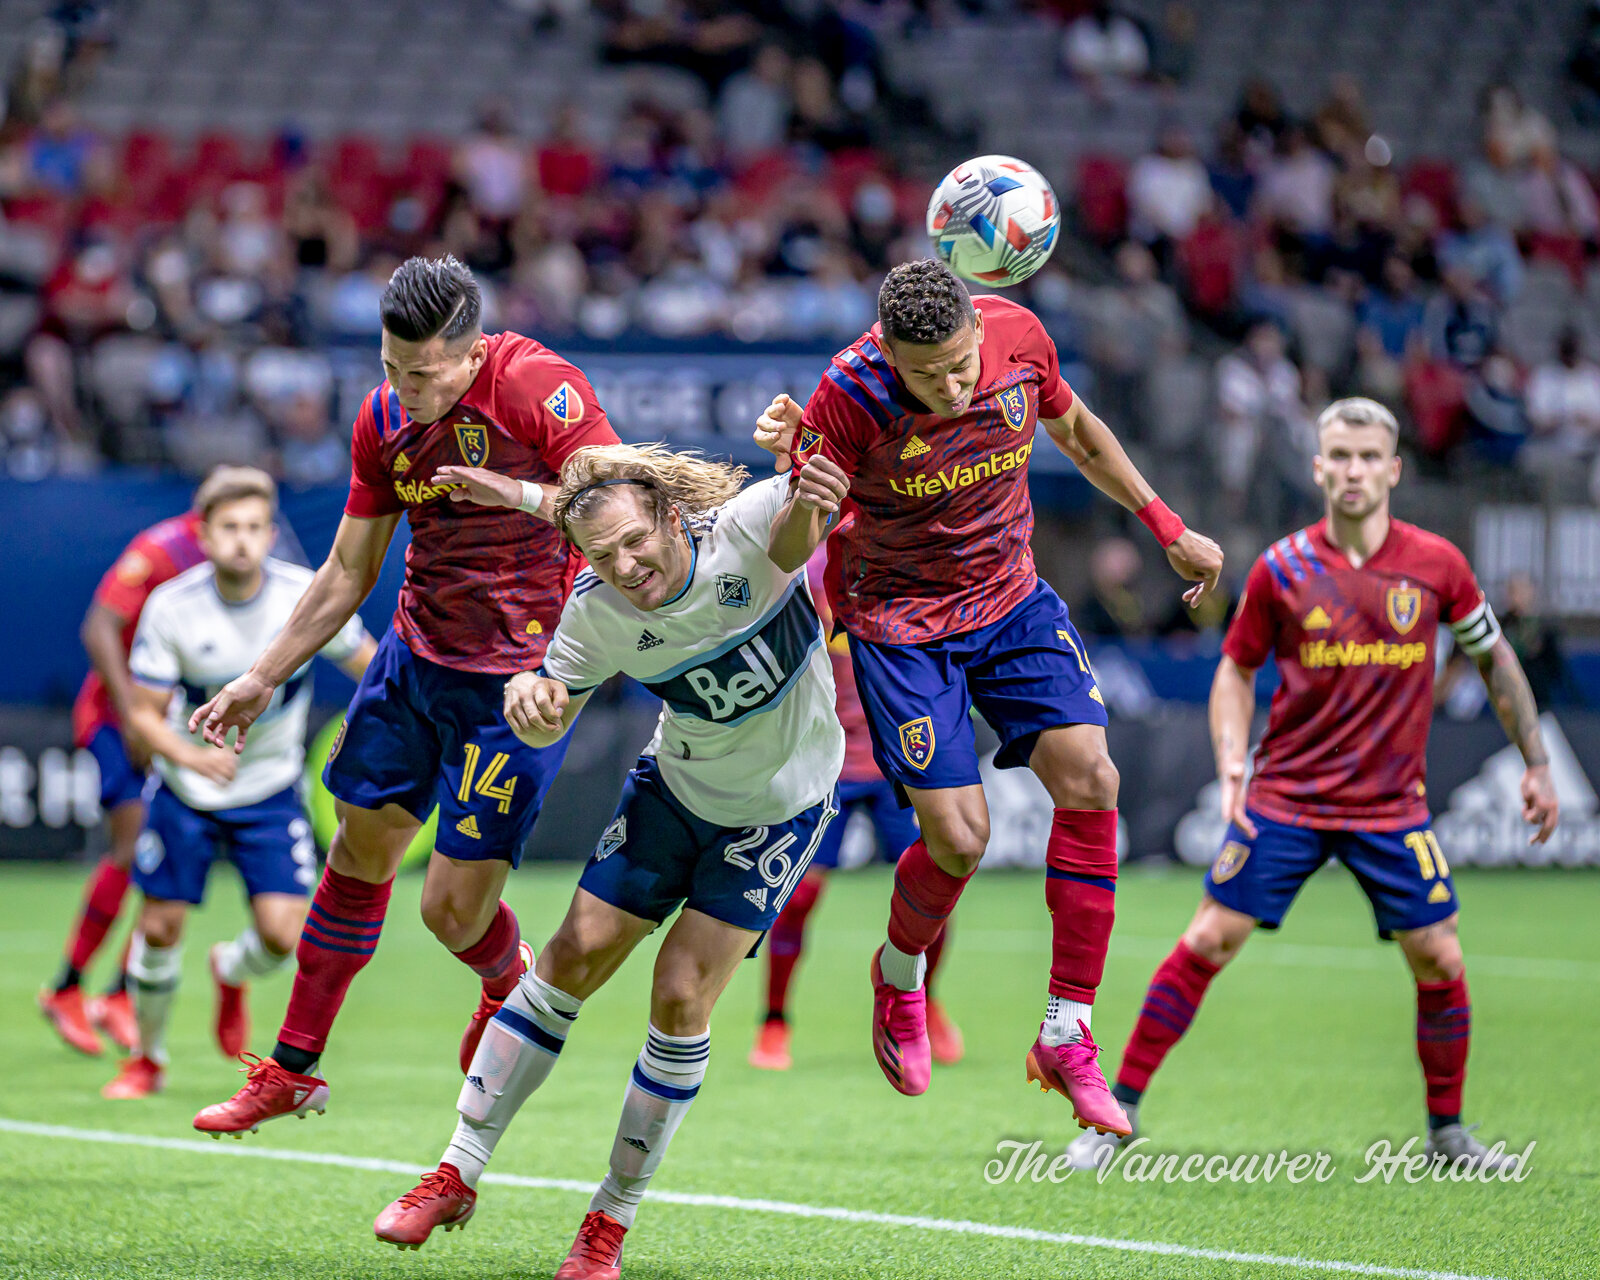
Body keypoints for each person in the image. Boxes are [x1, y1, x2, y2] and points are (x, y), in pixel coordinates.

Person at [753, 259, 1222, 1133]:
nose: (954, 385)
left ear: (977, 328)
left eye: (962, 364)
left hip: (1009, 598)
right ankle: (898, 976)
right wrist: (807, 503)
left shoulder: (1018, 337)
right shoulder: (846, 397)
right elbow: (788, 555)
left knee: (1092, 779)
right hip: (897, 623)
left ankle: (1067, 1032)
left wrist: (1168, 527)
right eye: (927, 376)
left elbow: (1079, 434)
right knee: (962, 839)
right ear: (887, 351)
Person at [370, 443, 847, 1278]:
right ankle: (455, 1169)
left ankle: (608, 1225)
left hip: (777, 813)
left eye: (635, 542)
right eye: (601, 554)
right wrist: (533, 709)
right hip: (675, 791)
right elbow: (553, 713)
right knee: (565, 962)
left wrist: (809, 453)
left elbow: (822, 499)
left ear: (671, 516)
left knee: (679, 996)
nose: (625, 566)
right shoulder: (594, 611)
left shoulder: (749, 531)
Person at [1066, 397, 1560, 1173]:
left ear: (1393, 469)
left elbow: (1496, 660)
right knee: (1208, 938)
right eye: (1341, 455)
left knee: (1439, 956)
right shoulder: (1282, 568)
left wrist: (1535, 761)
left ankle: (1448, 1137)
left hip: (1392, 807)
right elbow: (1234, 669)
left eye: (1369, 457)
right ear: (1319, 466)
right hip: (1286, 799)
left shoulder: (1439, 565)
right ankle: (1113, 1116)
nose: (1355, 470)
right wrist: (1233, 766)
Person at [191, 255, 619, 1136]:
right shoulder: (384, 417)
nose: (403, 387)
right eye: (391, 366)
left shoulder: (541, 388)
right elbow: (350, 568)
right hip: (416, 659)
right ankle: (293, 1069)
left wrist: (522, 496)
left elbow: (626, 510)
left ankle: (508, 976)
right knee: (357, 851)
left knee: (448, 911)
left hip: (525, 681)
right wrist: (261, 676)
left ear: (471, 357)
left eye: (423, 373)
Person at [102, 469, 376, 1099]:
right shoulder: (172, 604)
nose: (243, 541)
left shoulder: (304, 595)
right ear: (203, 534)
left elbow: (371, 666)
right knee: (161, 926)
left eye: (255, 527)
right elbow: (143, 713)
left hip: (272, 789)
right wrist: (189, 757)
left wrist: (373, 731)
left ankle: (229, 970)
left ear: (271, 532)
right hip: (185, 790)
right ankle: (148, 1059)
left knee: (283, 938)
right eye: (229, 528)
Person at [749, 540, 962, 1073]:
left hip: (899, 767)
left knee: (937, 894)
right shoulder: (809, 570)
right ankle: (774, 1023)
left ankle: (922, 1001)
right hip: (829, 766)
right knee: (798, 900)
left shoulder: (908, 568)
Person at [39, 472, 231, 1057]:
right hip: (114, 717)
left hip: (171, 723)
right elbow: (98, 626)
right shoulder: (161, 551)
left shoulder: (244, 565)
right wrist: (131, 717)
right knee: (135, 844)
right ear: (203, 520)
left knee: (164, 856)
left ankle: (118, 995)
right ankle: (68, 989)